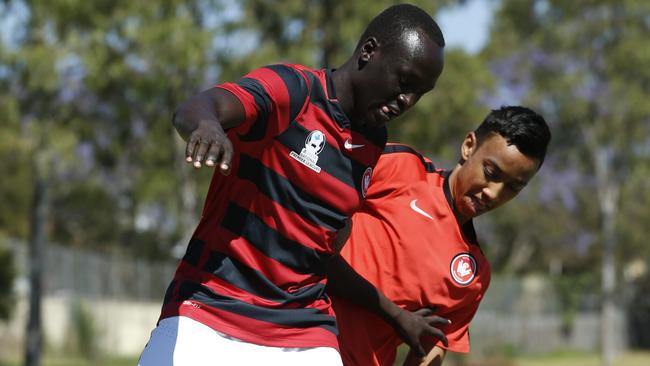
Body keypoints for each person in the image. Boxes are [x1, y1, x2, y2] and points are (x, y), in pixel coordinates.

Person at [138, 4, 447, 366]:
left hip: (301, 331)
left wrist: (396, 316)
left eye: (419, 93)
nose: (407, 101)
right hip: (210, 309)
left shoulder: (372, 143)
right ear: (368, 52)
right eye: (404, 82)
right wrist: (208, 126)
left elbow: (319, 253)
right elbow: (200, 106)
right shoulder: (294, 91)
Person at [330, 106, 552, 366]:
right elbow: (310, 234)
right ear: (469, 146)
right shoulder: (397, 167)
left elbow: (429, 351)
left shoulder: (473, 275)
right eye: (491, 173)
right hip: (292, 341)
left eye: (513, 187)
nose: (494, 192)